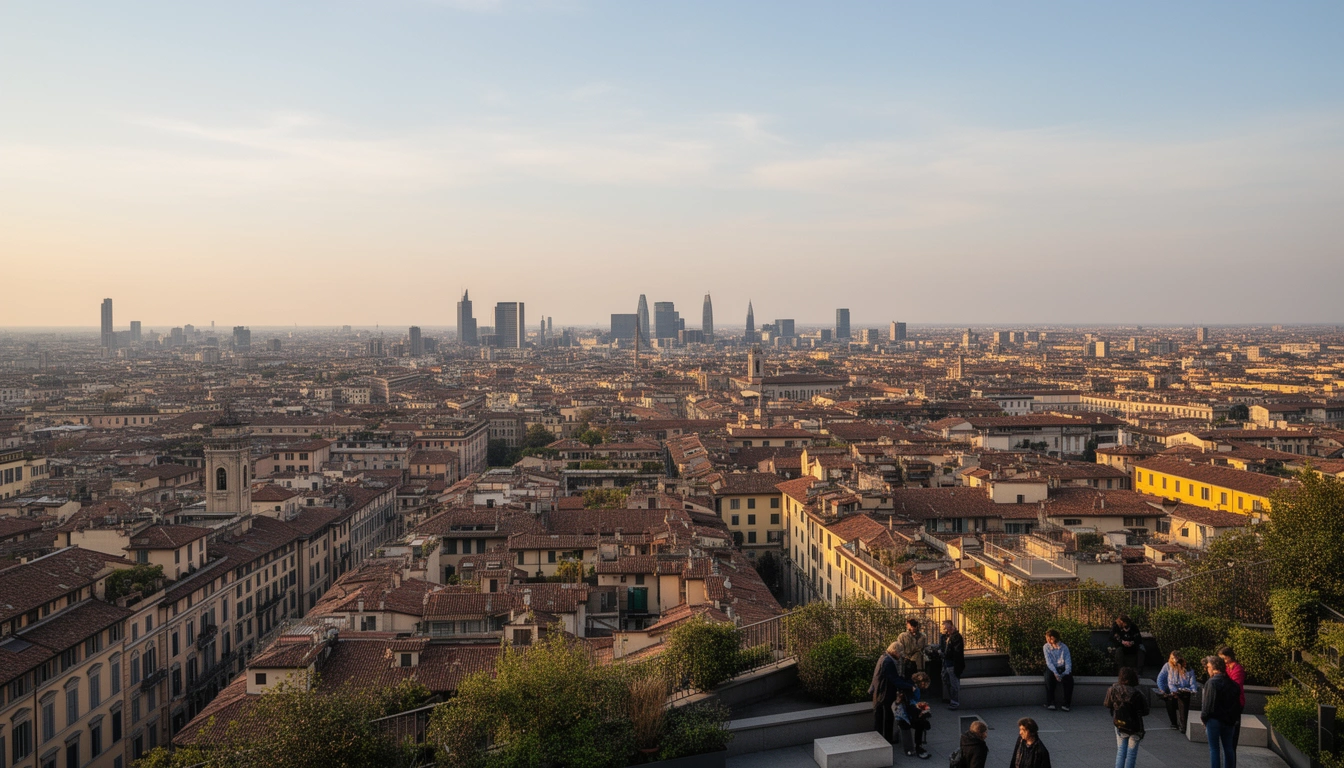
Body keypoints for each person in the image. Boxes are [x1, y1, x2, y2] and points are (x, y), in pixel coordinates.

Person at [869, 640, 914, 744]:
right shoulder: (888, 662)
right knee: (886, 717)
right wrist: (909, 687)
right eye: (899, 653)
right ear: (894, 651)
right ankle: (885, 741)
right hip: (884, 694)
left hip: (880, 692)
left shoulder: (884, 658)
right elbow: (895, 679)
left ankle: (884, 740)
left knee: (882, 717)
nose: (900, 656)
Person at [1105, 667, 1150, 768]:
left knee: (1121, 752)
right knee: (1131, 755)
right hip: (1135, 727)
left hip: (1120, 723)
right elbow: (1145, 711)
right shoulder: (1138, 693)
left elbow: (1107, 704)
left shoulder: (1113, 690)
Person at [1202, 655, 1242, 768]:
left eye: (1208, 666)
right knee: (1228, 748)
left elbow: (1208, 705)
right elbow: (1237, 705)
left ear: (1214, 668)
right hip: (1229, 721)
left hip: (1214, 720)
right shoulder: (1233, 685)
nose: (1207, 669)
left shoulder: (1211, 683)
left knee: (1214, 749)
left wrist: (1204, 719)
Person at [1156, 651, 1198, 732]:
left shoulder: (1188, 670)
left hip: (1184, 690)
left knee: (1184, 700)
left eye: (1176, 659)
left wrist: (1193, 690)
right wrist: (1163, 690)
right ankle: (1174, 723)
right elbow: (1163, 680)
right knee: (1170, 700)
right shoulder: (1168, 667)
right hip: (1171, 690)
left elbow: (1192, 682)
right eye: (1172, 658)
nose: (1175, 661)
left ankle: (1183, 725)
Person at [895, 671, 933, 759]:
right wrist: (920, 711)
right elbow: (910, 704)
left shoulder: (910, 686)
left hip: (904, 713)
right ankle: (917, 746)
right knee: (920, 724)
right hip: (904, 716)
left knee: (920, 723)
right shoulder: (914, 689)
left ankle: (917, 746)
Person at [1219, 646, 1246, 744]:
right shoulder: (1225, 668)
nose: (1223, 661)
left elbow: (1236, 687)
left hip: (1236, 702)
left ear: (1229, 656)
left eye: (1224, 658)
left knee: (1232, 735)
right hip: (1226, 701)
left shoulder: (1237, 669)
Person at [1042, 629, 1074, 711]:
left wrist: (1065, 673)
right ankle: (1051, 702)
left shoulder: (1064, 648)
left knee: (1069, 680)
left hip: (1062, 667)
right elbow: (1048, 662)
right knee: (1048, 678)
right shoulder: (1046, 647)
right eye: (1047, 638)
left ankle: (1066, 704)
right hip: (1052, 668)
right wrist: (1055, 673)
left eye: (1050, 638)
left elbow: (1068, 661)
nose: (1048, 640)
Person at [939, 619, 967, 711]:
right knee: (946, 680)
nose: (943, 629)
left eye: (945, 627)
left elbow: (956, 652)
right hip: (946, 664)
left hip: (953, 664)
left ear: (950, 626)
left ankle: (955, 702)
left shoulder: (956, 637)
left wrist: (945, 654)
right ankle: (952, 699)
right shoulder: (946, 637)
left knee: (954, 683)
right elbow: (943, 647)